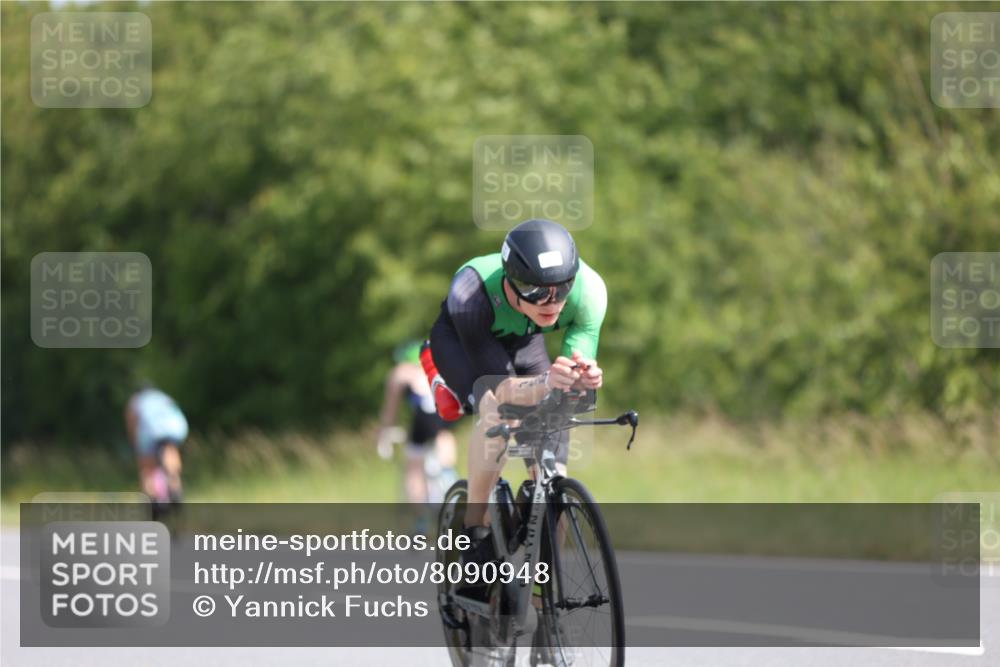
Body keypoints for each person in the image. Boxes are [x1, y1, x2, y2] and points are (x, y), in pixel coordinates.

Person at [420, 218, 607, 561]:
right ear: (510, 279)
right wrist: (548, 382)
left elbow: (568, 381)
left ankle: (544, 586)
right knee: (496, 414)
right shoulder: (470, 291)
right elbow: (503, 389)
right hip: (465, 342)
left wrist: (582, 378)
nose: (551, 302)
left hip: (524, 340)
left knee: (553, 472)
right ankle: (474, 529)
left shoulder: (590, 291)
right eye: (536, 291)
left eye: (561, 288)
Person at [376, 340, 458, 506]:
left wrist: (384, 431)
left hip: (424, 413)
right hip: (446, 410)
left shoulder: (401, 372)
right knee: (443, 436)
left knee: (414, 464)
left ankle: (419, 510)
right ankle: (449, 475)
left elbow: (390, 409)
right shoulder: (437, 365)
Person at [125, 383, 189, 518]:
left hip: (150, 432)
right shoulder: (163, 397)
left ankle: (153, 501)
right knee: (170, 454)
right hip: (175, 428)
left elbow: (132, 422)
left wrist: (137, 446)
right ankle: (174, 486)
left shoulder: (136, 401)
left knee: (147, 469)